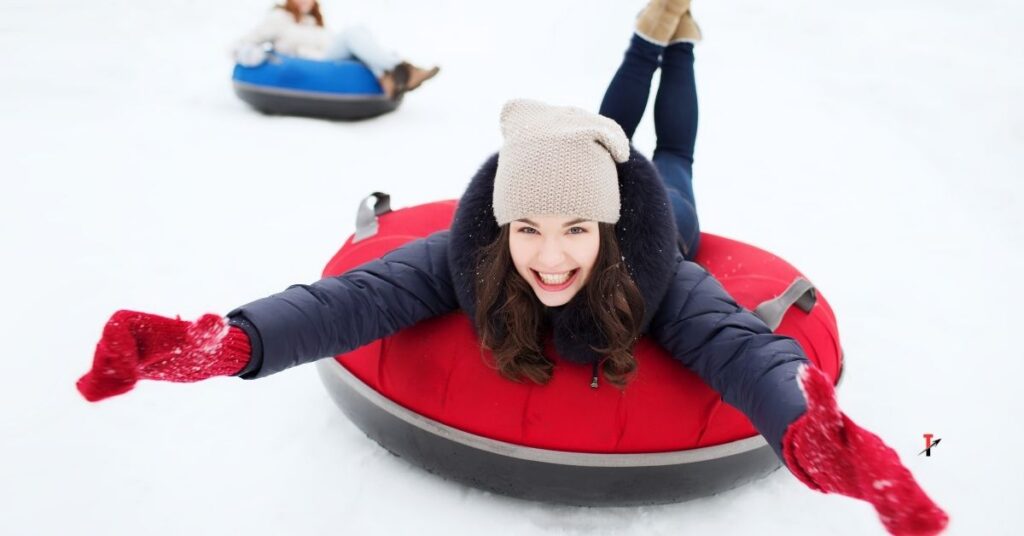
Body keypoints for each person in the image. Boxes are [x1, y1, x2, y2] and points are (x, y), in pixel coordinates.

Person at [80, 2, 948, 534]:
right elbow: (352, 300)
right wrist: (225, 343)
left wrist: (816, 434)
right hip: (590, 178)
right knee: (602, 133)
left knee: (672, 152)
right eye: (528, 227)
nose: (551, 255)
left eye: (575, 228)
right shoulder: (471, 254)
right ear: (500, 224)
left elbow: (737, 348)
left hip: (665, 214)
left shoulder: (660, 274)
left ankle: (673, 47)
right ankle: (650, 38)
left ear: (604, 229)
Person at [233, 0, 440, 100]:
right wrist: (249, 53)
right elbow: (241, 44)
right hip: (312, 66)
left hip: (330, 63)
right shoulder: (279, 19)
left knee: (359, 36)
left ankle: (390, 77)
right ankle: (402, 70)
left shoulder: (315, 22)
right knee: (353, 33)